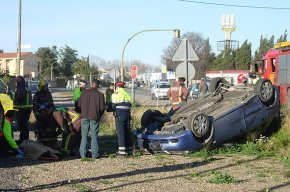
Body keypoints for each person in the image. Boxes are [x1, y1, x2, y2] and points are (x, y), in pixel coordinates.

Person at [78, 79, 105, 159]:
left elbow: (79, 105)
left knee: (84, 136)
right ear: (98, 85)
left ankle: (82, 154)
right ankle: (94, 154)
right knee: (94, 136)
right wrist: (99, 115)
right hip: (94, 116)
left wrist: (82, 112)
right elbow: (102, 108)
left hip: (84, 116)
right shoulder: (100, 94)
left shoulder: (83, 92)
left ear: (91, 84)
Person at [32, 79, 57, 148]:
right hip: (41, 116)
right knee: (42, 130)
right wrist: (39, 114)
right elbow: (35, 107)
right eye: (44, 86)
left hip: (49, 115)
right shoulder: (37, 95)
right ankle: (42, 144)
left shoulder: (49, 94)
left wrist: (50, 109)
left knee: (51, 129)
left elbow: (51, 103)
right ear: (41, 86)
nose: (46, 87)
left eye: (46, 86)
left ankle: (52, 143)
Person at [111, 81, 133, 156]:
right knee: (127, 132)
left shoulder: (115, 94)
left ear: (117, 87)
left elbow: (113, 106)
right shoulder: (127, 94)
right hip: (127, 115)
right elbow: (130, 104)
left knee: (121, 133)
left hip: (120, 115)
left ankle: (122, 152)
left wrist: (109, 108)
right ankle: (129, 150)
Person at [13, 76, 32, 142]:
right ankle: (23, 138)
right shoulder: (23, 87)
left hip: (23, 110)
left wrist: (14, 100)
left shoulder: (21, 88)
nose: (16, 81)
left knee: (23, 125)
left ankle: (24, 139)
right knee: (23, 125)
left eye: (17, 80)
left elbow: (19, 97)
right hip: (25, 110)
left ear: (21, 80)